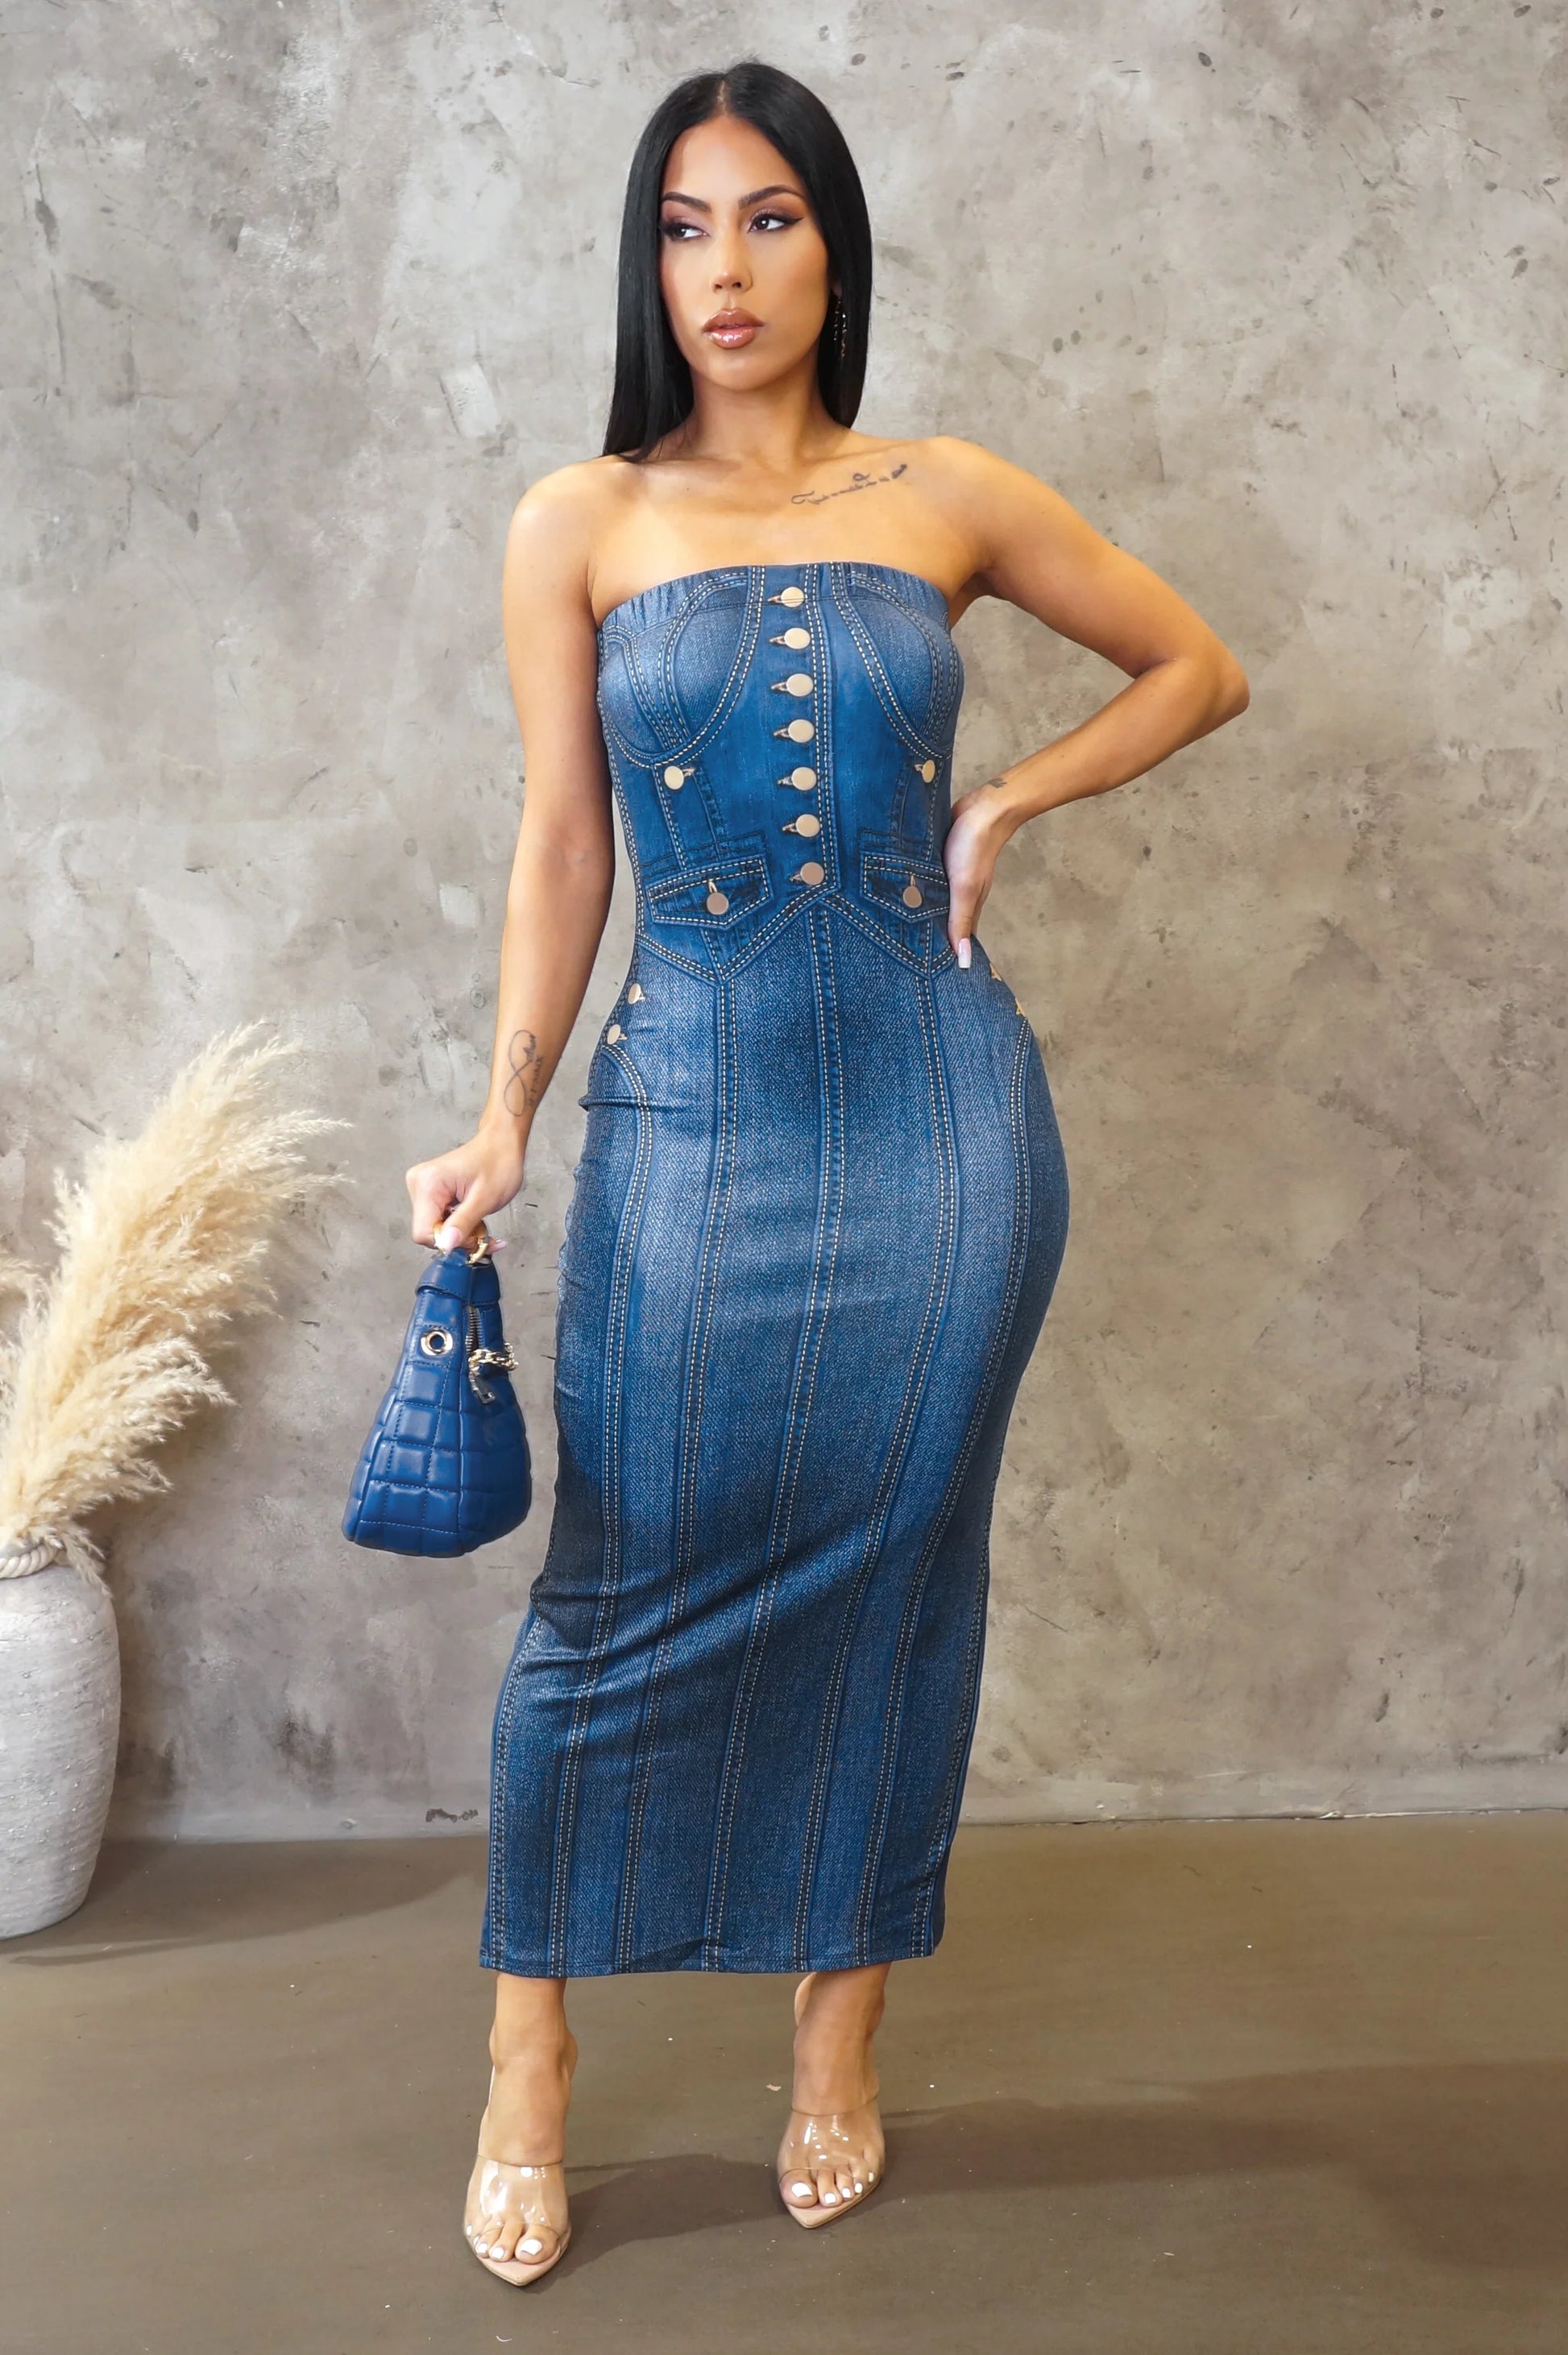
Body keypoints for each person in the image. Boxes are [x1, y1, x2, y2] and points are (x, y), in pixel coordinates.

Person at [404, 58, 1248, 2287]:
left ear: (833, 247)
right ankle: (529, 2063)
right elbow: (561, 844)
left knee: (899, 1579)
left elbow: (1194, 660)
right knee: (614, 1589)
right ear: (642, 264)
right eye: (682, 228)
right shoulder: (573, 519)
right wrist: (505, 1110)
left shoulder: (946, 492)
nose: (725, 271)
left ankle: (832, 2047)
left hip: (942, 1125)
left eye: (765, 220)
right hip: (691, 1118)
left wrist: (1004, 806)